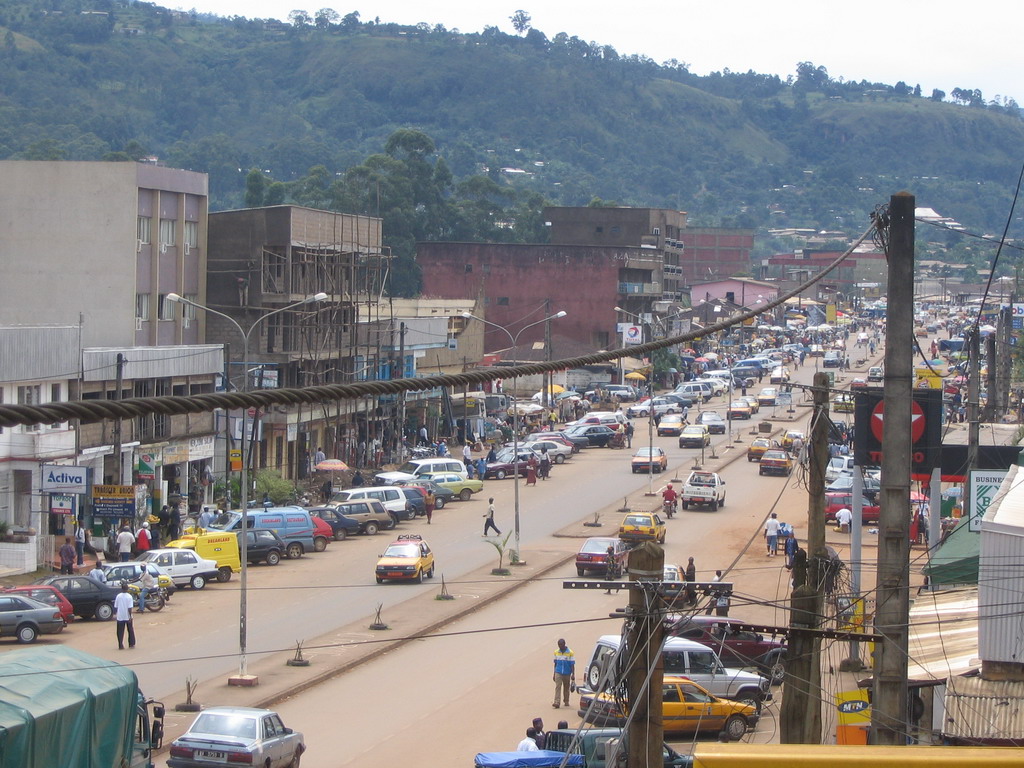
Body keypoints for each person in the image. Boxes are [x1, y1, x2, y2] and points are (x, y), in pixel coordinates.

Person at [552, 638, 576, 709]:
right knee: (558, 686)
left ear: (564, 644)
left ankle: (566, 700)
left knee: (566, 687)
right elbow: (555, 664)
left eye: (561, 645)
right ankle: (557, 702)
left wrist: (573, 674)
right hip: (558, 672)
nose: (560, 646)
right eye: (559, 645)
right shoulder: (556, 652)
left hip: (567, 673)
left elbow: (572, 664)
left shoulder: (570, 652)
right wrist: (554, 673)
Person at [114, 581, 136, 650]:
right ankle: (131, 643)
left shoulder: (118, 596)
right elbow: (130, 608)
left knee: (120, 631)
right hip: (127, 616)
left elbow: (116, 606)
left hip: (120, 616)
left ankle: (120, 644)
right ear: (127, 589)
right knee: (130, 630)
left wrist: (117, 614)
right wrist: (129, 617)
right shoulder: (129, 597)